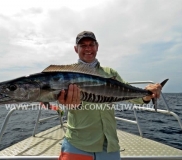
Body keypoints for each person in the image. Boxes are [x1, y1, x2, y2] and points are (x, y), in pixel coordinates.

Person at [57, 31, 162, 160]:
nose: (88, 48)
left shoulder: (110, 73)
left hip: (109, 145)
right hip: (77, 143)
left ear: (97, 47)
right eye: (83, 45)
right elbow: (58, 100)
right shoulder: (68, 74)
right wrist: (66, 103)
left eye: (91, 44)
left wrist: (147, 94)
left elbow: (131, 96)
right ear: (75, 49)